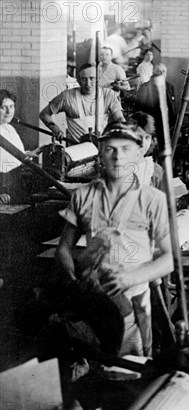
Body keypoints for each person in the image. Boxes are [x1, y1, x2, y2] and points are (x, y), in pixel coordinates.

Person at [56, 121, 174, 357]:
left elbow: (170, 258)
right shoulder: (83, 196)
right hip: (96, 299)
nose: (118, 157)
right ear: (100, 154)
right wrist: (70, 273)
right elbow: (64, 248)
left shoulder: (153, 199)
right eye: (110, 149)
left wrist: (129, 277)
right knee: (96, 364)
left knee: (133, 365)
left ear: (139, 154)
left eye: (125, 149)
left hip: (136, 298)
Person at [39, 63, 125, 143]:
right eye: (84, 79)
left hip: (101, 147)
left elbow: (119, 118)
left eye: (92, 78)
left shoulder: (108, 94)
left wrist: (124, 130)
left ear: (98, 79)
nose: (88, 83)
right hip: (77, 149)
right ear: (79, 80)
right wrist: (55, 129)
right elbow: (44, 114)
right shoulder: (67, 97)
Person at [0, 90, 35, 204]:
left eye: (11, 106)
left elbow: (13, 155)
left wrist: (29, 153)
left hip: (17, 180)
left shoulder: (10, 129)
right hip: (3, 186)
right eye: (3, 107)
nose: (9, 111)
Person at [128, 111, 165, 191]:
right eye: (138, 137)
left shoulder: (156, 171)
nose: (143, 143)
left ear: (152, 139)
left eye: (147, 138)